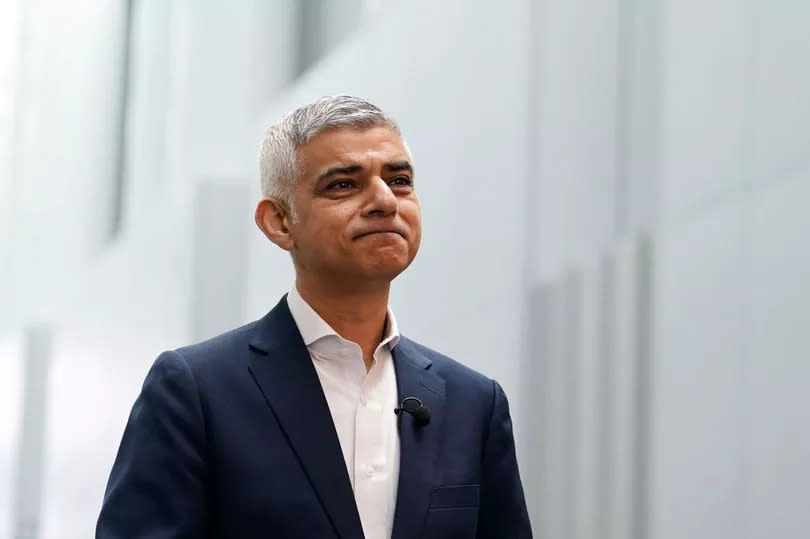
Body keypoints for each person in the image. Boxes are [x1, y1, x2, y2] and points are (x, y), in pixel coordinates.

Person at [96, 95, 532, 539]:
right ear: (280, 222)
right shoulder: (195, 390)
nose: (385, 200)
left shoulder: (473, 403)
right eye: (344, 185)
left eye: (399, 180)